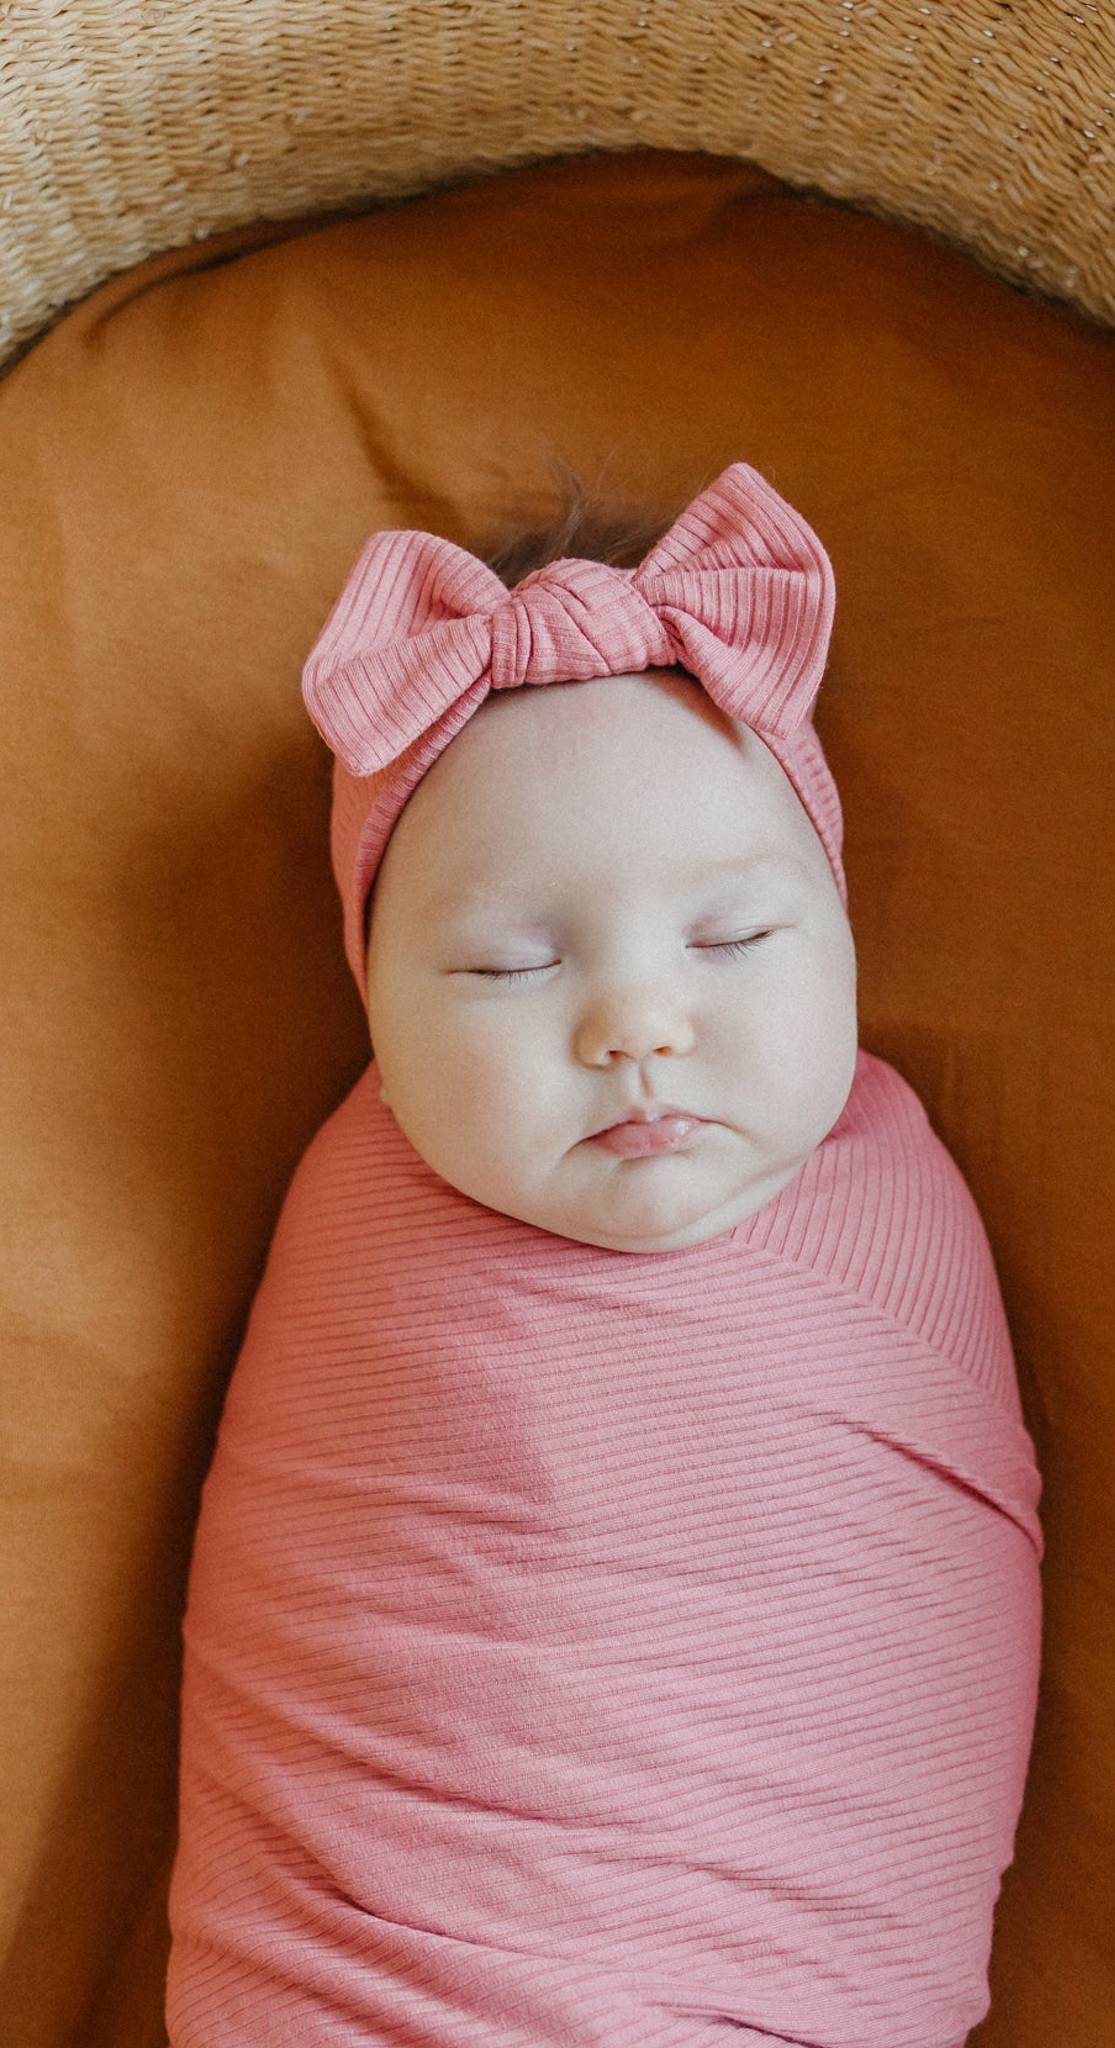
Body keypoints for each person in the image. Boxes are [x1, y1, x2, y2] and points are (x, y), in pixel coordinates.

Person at [165, 459, 1046, 2046]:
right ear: (376, 1009)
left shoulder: (899, 1209)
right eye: (507, 963)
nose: (639, 1020)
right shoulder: (360, 1213)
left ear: (842, 930)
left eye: (733, 939)